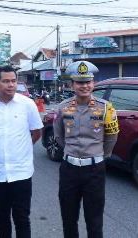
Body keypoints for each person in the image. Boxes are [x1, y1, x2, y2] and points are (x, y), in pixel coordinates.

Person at [0, 65, 43, 238]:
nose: (11, 85)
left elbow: (36, 133)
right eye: (6, 81)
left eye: (13, 81)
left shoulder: (27, 104)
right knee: (1, 216)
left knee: (22, 217)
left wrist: (20, 148)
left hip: (21, 173)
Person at [53, 61, 119, 238]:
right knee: (68, 219)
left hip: (94, 170)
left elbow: (111, 138)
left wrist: (98, 156)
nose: (85, 86)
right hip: (69, 170)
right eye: (80, 82)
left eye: (88, 81)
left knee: (94, 221)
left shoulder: (106, 108)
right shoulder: (63, 107)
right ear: (72, 85)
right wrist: (71, 153)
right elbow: (58, 135)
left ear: (93, 83)